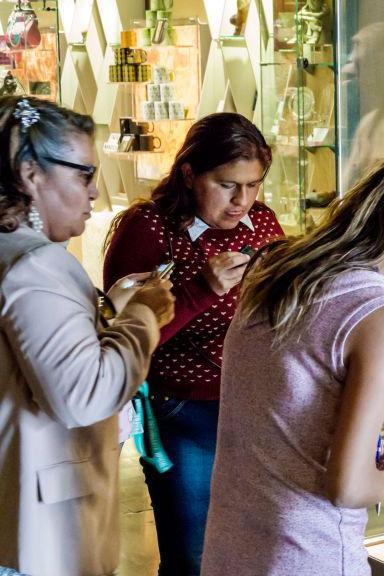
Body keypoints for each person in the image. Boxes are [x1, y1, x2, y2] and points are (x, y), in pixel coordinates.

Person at [201, 157, 384, 575]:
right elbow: (348, 487)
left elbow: (284, 410)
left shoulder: (275, 270)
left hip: (232, 545)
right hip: (308, 552)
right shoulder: (381, 313)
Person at [0, 96, 174, 575]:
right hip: (42, 531)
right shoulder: (35, 265)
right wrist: (142, 317)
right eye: (83, 175)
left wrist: (110, 308)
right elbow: (83, 395)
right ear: (32, 174)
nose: (95, 193)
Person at [103, 113, 283, 575]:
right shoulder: (149, 228)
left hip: (254, 404)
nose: (242, 200)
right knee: (193, 556)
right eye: (227, 185)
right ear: (189, 173)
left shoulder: (261, 223)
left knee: (252, 544)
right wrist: (199, 289)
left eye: (254, 184)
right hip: (180, 408)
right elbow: (124, 343)